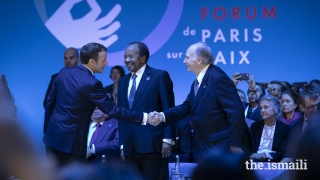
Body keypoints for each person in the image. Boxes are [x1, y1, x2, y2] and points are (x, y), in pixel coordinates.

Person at [43, 43, 156, 167]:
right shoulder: (92, 83)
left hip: (51, 138)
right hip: (72, 145)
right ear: (92, 62)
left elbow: (50, 101)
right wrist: (144, 117)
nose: (106, 63)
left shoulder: (63, 73)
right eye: (104, 60)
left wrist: (48, 130)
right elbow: (113, 110)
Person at [151, 42, 250, 159]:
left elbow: (236, 110)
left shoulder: (217, 77)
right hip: (207, 144)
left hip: (223, 145)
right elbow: (187, 106)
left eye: (187, 57)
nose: (184, 61)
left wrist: (235, 143)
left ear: (199, 60)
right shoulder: (198, 81)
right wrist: (162, 116)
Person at [117, 42, 174, 180]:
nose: (126, 60)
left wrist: (168, 139)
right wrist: (122, 144)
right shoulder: (123, 81)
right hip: (130, 147)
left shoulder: (159, 76)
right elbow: (122, 115)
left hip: (153, 145)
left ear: (143, 58)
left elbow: (169, 109)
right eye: (125, 57)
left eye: (130, 56)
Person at [249, 95, 289, 162]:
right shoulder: (255, 126)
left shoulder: (285, 129)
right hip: (254, 160)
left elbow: (283, 152)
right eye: (261, 108)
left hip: (273, 161)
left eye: (266, 107)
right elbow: (249, 147)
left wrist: (265, 155)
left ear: (275, 110)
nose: (262, 110)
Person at [282, 89, 318, 161]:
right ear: (301, 108)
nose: (316, 109)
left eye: (317, 105)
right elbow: (289, 152)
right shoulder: (294, 125)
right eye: (311, 107)